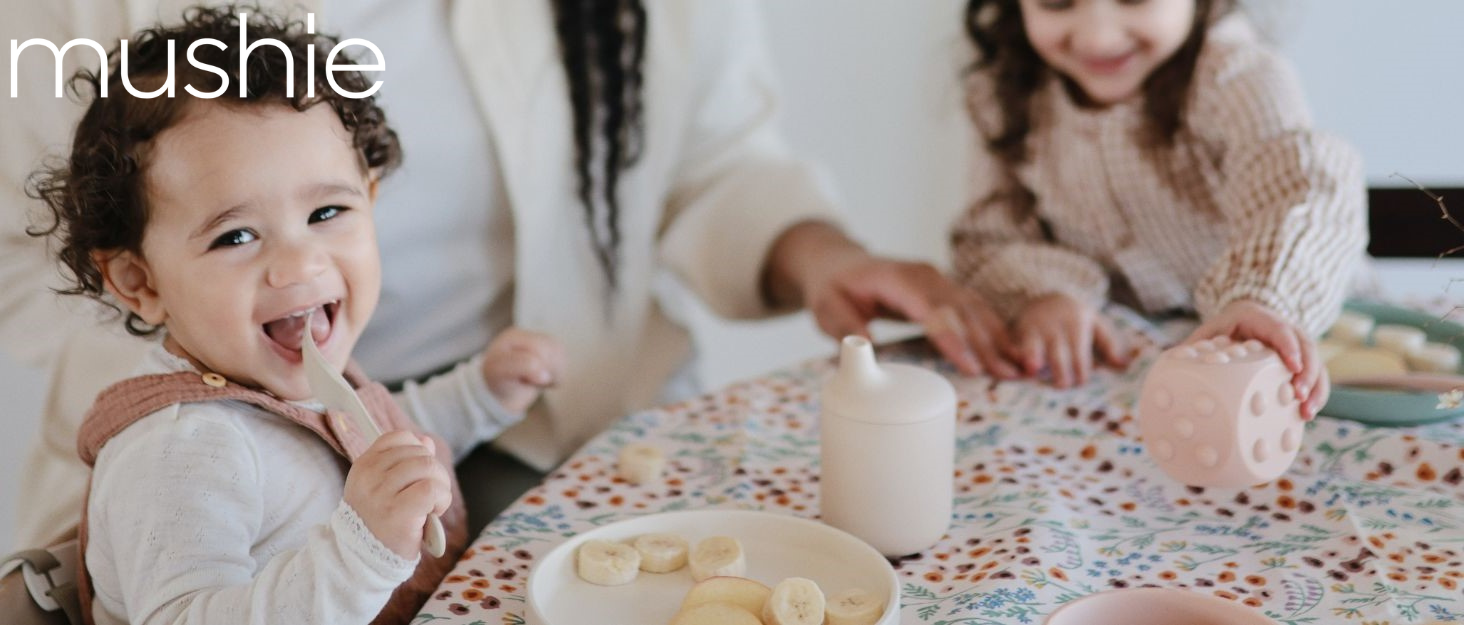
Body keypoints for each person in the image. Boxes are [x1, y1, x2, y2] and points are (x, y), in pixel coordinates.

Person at [1, 0, 1016, 548]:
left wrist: (825, 259)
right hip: (249, 480)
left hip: (571, 418)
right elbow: (22, 255)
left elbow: (717, 164)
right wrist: (240, 412)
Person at [25, 9, 567, 623]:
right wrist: (362, 550)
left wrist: (482, 393)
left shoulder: (295, 380)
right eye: (235, 237)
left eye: (326, 213)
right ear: (139, 281)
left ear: (371, 195)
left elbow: (384, 439)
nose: (298, 265)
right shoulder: (182, 449)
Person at [950, 0, 1367, 417]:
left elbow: (1306, 193)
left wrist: (1262, 298)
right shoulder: (1001, 95)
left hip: (1313, 349)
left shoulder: (1238, 77)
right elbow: (991, 235)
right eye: (1056, 2)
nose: (1099, 38)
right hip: (1135, 375)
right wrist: (1044, 293)